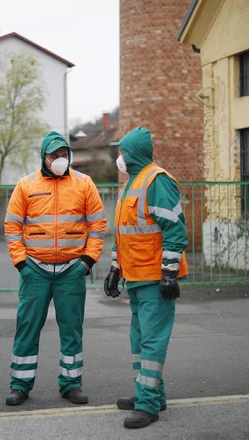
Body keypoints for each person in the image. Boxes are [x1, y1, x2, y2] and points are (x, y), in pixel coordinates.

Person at [3, 131, 107, 406]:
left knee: (72, 329)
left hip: (71, 269)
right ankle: (20, 385)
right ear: (44, 157)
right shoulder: (26, 185)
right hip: (34, 270)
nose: (60, 159)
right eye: (54, 155)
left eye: (64, 155)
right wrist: (21, 263)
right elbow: (12, 225)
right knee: (27, 327)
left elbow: (97, 225)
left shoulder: (84, 184)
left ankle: (71, 384)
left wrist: (87, 262)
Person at [104, 126, 189, 429]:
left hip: (154, 277)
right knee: (139, 340)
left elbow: (175, 230)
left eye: (122, 151)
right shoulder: (132, 183)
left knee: (151, 341)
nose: (120, 157)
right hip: (137, 276)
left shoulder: (157, 181)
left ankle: (148, 404)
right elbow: (125, 235)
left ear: (134, 153)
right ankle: (152, 393)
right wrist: (115, 268)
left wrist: (169, 273)